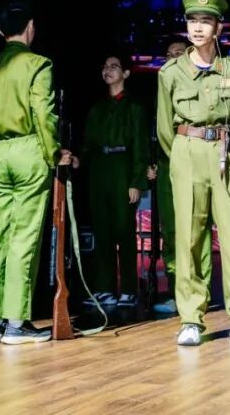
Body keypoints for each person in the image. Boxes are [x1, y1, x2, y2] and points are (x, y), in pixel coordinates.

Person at [156, 0, 230, 346]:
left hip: (225, 152)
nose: (197, 28)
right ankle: (191, 319)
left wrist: (229, 150)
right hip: (187, 152)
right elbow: (164, 129)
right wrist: (185, 154)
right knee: (189, 238)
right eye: (192, 21)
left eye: (205, 21)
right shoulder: (170, 73)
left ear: (219, 27)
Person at [0, 1, 74, 345]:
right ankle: (16, 323)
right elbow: (43, 113)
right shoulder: (37, 64)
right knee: (24, 236)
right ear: (30, 27)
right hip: (29, 150)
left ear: (0, 31)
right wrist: (54, 152)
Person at [78, 50, 149, 308]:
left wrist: (136, 181)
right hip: (100, 169)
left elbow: (140, 146)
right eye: (105, 66)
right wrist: (78, 160)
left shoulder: (134, 107)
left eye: (114, 66)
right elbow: (88, 144)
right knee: (102, 230)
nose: (107, 70)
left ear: (126, 73)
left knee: (123, 230)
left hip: (123, 167)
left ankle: (128, 289)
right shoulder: (97, 108)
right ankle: (104, 288)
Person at [151, 38, 212, 315]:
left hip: (195, 161)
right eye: (169, 54)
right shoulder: (161, 85)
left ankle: (200, 291)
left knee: (198, 228)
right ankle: (179, 291)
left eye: (179, 53)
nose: (173, 57)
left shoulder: (201, 84)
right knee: (171, 231)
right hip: (168, 165)